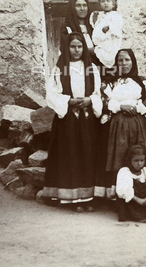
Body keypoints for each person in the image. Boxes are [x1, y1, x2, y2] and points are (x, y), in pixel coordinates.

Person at [44, 32, 102, 212]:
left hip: (87, 119)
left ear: (84, 48)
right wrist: (68, 101)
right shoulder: (60, 68)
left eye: (79, 46)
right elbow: (51, 93)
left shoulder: (91, 69)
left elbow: (98, 93)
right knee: (70, 155)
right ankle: (72, 199)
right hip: (68, 119)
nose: (76, 50)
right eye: (73, 46)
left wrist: (90, 100)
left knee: (88, 155)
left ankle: (87, 198)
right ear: (66, 48)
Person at [104, 49, 146, 190]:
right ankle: (119, 194)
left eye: (127, 60)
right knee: (119, 157)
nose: (124, 63)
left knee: (138, 157)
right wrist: (121, 106)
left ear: (133, 61)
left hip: (137, 124)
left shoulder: (143, 82)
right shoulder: (111, 83)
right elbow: (104, 101)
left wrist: (136, 107)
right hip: (117, 125)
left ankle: (140, 191)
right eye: (120, 60)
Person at [89, 0, 123, 70]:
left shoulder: (115, 15)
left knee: (109, 53)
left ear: (113, 4)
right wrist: (95, 17)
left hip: (110, 39)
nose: (105, 3)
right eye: (102, 1)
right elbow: (95, 25)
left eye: (108, 1)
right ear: (99, 4)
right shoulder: (100, 15)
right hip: (101, 41)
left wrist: (109, 26)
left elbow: (118, 24)